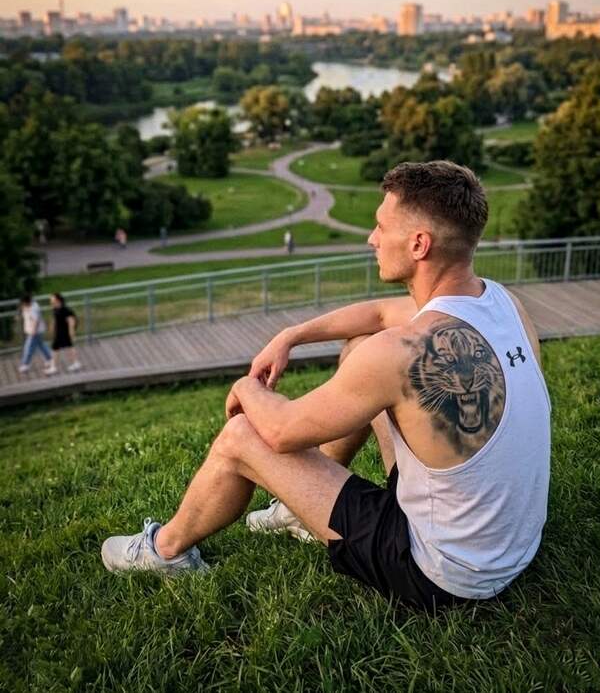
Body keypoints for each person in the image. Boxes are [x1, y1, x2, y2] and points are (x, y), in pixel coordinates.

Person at [101, 161, 551, 613]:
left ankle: (165, 550)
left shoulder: (402, 353)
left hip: (443, 576)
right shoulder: (501, 302)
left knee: (242, 437)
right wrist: (291, 335)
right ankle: (300, 511)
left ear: (419, 244)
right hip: (509, 544)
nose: (371, 238)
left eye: (381, 227)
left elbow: (281, 431)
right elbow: (378, 315)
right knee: (361, 349)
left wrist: (246, 388)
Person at [18, 293, 54, 375]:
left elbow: (36, 320)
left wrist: (33, 331)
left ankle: (25, 364)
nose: (22, 304)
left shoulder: (34, 308)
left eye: (23, 303)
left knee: (28, 347)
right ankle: (50, 359)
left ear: (26, 302)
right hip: (33, 331)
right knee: (41, 345)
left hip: (35, 331)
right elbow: (24, 312)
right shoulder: (27, 306)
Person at [50, 293, 81, 373]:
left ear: (58, 300)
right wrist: (52, 328)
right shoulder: (55, 309)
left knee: (58, 347)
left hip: (65, 332)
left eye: (52, 299)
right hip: (59, 332)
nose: (51, 301)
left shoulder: (66, 310)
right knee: (66, 347)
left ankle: (54, 367)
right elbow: (55, 319)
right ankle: (75, 363)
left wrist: (71, 333)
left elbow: (71, 322)